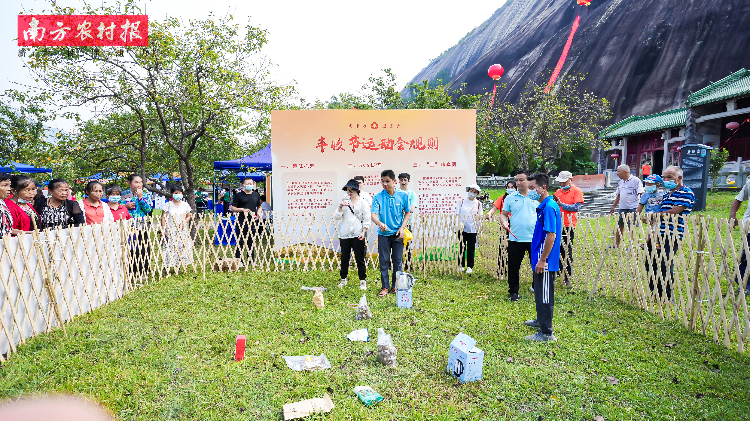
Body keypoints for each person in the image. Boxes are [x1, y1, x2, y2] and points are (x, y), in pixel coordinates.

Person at [524, 173, 561, 342]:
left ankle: (546, 333)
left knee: (545, 295)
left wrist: (543, 259)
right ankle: (540, 320)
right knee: (539, 292)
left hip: (544, 260)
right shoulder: (543, 206)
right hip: (539, 258)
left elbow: (551, 235)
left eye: (532, 188)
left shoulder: (549, 207)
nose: (530, 191)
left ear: (543, 187)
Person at [651, 166, 694, 300]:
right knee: (652, 261)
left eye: (669, 177)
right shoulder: (666, 194)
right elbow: (660, 211)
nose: (665, 180)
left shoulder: (686, 192)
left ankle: (666, 294)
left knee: (665, 263)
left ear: (679, 178)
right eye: (664, 177)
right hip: (659, 232)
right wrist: (652, 218)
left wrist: (656, 215)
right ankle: (655, 291)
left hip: (672, 233)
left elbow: (675, 211)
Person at [499, 170, 540, 301]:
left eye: (521, 180)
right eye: (516, 180)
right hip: (515, 238)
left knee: (536, 265)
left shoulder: (537, 197)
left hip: (534, 238)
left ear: (529, 180)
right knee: (513, 267)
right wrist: (504, 222)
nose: (518, 182)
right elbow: (503, 214)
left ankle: (536, 287)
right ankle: (513, 291)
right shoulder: (510, 198)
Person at [371, 169, 412, 298]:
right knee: (384, 261)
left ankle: (396, 286)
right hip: (383, 234)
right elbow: (373, 215)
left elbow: (408, 212)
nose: (384, 184)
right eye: (382, 181)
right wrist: (380, 224)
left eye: (387, 181)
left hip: (398, 234)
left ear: (394, 181)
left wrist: (402, 228)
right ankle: (385, 287)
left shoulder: (403, 195)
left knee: (397, 261)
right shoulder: (378, 197)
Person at [334, 179, 371, 290]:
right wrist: (340, 206)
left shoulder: (363, 203)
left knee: (360, 258)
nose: (349, 192)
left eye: (351, 190)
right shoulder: (345, 202)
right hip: (345, 234)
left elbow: (367, 218)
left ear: (356, 190)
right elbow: (337, 217)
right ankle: (343, 279)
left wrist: (364, 232)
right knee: (344, 258)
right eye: (348, 190)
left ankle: (362, 281)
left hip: (358, 233)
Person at [553, 171, 584, 285]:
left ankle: (567, 275)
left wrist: (562, 205)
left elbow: (576, 207)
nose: (561, 184)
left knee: (566, 250)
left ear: (570, 180)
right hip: (556, 223)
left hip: (568, 224)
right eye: (560, 182)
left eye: (564, 182)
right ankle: (557, 271)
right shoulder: (558, 191)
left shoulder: (577, 191)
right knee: (555, 248)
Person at [121, 174, 153, 279]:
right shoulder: (123, 194)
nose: (139, 184)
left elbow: (148, 210)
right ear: (129, 183)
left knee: (143, 248)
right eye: (136, 182)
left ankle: (143, 271)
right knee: (130, 248)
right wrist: (125, 206)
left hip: (141, 224)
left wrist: (140, 198)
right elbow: (117, 206)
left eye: (140, 182)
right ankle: (131, 271)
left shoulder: (146, 194)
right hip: (128, 225)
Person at [609, 164, 644, 247]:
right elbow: (619, 195)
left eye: (618, 171)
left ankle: (630, 245)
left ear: (625, 172)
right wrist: (614, 206)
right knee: (619, 225)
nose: (617, 173)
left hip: (633, 207)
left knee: (631, 226)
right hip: (622, 208)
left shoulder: (636, 180)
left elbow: (641, 193)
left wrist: (641, 207)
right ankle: (617, 243)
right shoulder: (620, 182)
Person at [160, 185, 194, 270]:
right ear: (172, 194)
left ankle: (177, 266)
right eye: (176, 193)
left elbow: (188, 216)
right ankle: (167, 266)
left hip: (182, 229)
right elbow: (163, 217)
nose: (178, 195)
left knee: (180, 247)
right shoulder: (168, 205)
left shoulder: (185, 205)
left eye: (179, 193)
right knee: (169, 248)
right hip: (170, 229)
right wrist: (163, 229)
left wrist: (184, 222)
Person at [230, 178, 262, 267]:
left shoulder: (256, 195)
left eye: (251, 183)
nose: (249, 185)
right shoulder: (238, 195)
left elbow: (259, 206)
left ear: (253, 184)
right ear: (243, 185)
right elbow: (233, 208)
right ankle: (239, 261)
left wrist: (259, 213)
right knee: (240, 241)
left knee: (251, 241)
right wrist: (242, 209)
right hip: (241, 220)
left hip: (252, 221)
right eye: (247, 183)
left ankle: (251, 260)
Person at [456, 183, 483, 274]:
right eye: (471, 190)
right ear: (468, 190)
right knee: (461, 247)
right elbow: (457, 214)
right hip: (462, 227)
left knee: (471, 248)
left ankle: (470, 266)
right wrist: (457, 225)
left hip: (472, 229)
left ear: (477, 194)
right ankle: (461, 265)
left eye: (475, 192)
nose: (472, 193)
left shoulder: (478, 204)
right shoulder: (461, 201)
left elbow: (480, 217)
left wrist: (479, 229)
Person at [730, 176, 750, 295]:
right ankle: (745, 284)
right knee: (746, 255)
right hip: (749, 226)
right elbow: (739, 198)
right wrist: (732, 215)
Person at [398, 173, 418, 270]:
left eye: (405, 180)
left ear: (408, 181)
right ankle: (396, 264)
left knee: (408, 244)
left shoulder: (412, 194)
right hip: (396, 222)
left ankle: (408, 264)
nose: (403, 182)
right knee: (396, 244)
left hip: (407, 222)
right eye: (401, 180)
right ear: (398, 181)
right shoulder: (396, 192)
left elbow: (412, 209)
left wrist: (402, 209)